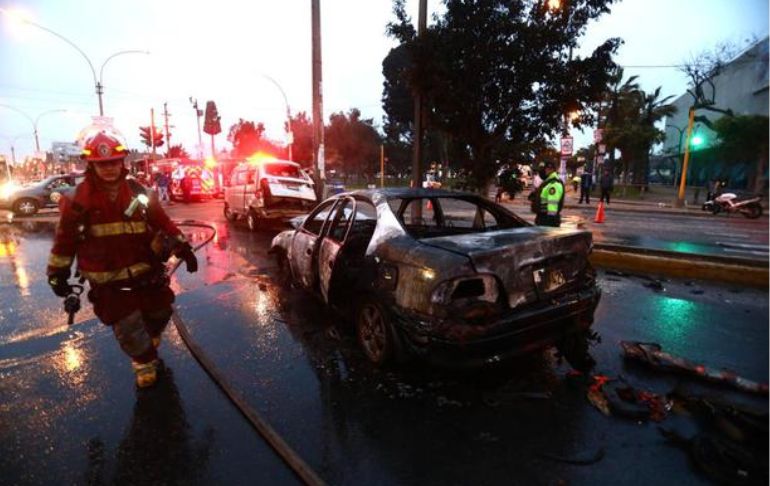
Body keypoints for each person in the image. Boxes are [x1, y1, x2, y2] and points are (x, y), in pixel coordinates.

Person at [46, 126, 198, 389]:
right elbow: (64, 242)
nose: (108, 168)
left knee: (160, 312)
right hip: (109, 282)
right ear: (91, 165)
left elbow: (164, 223)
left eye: (113, 162)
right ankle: (145, 365)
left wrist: (182, 247)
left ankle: (148, 343)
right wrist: (57, 275)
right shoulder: (76, 201)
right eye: (101, 163)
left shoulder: (139, 192)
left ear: (121, 161)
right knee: (129, 327)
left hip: (146, 272)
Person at [533, 161, 564, 227]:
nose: (543, 171)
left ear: (550, 169)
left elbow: (553, 202)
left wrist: (550, 220)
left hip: (548, 220)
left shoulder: (554, 183)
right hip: (543, 217)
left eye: (545, 169)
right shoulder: (548, 182)